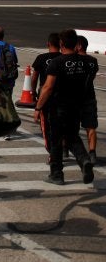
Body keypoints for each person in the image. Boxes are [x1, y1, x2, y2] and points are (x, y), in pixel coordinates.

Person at [34, 29, 96, 186]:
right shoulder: (86, 62)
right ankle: (84, 160)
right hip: (76, 107)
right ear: (76, 44)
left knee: (56, 141)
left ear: (61, 44)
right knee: (72, 137)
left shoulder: (58, 62)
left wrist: (38, 107)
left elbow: (47, 87)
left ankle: (57, 174)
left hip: (58, 108)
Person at [31, 32, 61, 156]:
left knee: (46, 125)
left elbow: (34, 77)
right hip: (62, 95)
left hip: (46, 95)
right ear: (60, 44)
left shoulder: (41, 58)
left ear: (48, 44)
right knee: (61, 123)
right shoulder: (64, 58)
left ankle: (52, 153)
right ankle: (63, 148)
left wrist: (33, 92)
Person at [76, 35, 99, 165]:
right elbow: (92, 77)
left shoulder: (73, 60)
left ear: (79, 46)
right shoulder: (93, 61)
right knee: (91, 126)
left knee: (69, 126)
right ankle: (92, 153)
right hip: (89, 97)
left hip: (74, 98)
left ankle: (65, 150)